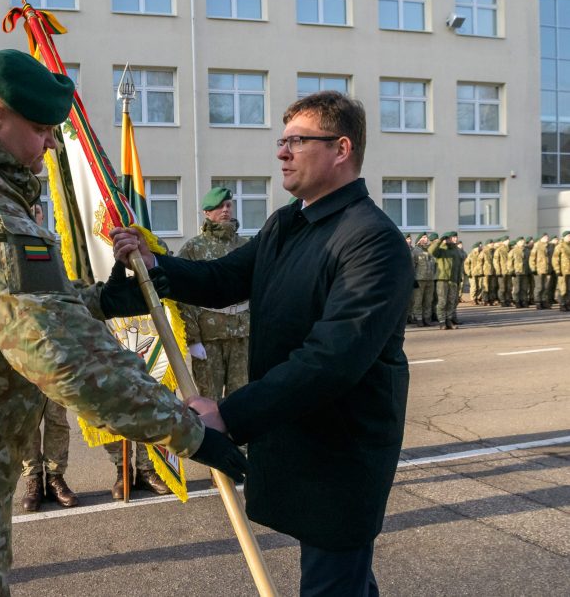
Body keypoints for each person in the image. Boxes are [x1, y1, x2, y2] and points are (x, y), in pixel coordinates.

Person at [0, 49, 244, 595]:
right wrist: (186, 430)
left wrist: (101, 300)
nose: (52, 144)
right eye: (39, 129)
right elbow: (60, 354)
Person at [112, 90, 412, 596]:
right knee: (344, 576)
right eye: (283, 139)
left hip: (340, 450)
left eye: (298, 140)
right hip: (295, 433)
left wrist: (229, 414)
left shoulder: (371, 240)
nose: (282, 152)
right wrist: (156, 262)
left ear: (341, 149)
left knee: (333, 573)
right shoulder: (287, 223)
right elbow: (223, 279)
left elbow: (332, 360)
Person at [20, 201, 80, 511]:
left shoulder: (57, 252)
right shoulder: (12, 249)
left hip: (57, 351)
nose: (33, 214)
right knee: (29, 420)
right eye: (28, 209)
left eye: (38, 211)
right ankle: (33, 479)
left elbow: (70, 295)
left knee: (57, 419)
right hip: (24, 351)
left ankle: (56, 477)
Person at [177, 186, 251, 401]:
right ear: (207, 213)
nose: (225, 210)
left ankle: (239, 436)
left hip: (242, 334)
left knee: (242, 398)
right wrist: (193, 339)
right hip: (208, 336)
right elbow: (183, 294)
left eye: (228, 205)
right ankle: (210, 435)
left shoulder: (245, 246)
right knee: (209, 399)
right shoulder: (193, 248)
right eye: (219, 206)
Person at [429, 231, 464, 330]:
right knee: (442, 301)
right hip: (442, 279)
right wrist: (440, 241)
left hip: (453, 280)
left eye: (454, 238)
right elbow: (431, 251)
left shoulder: (456, 250)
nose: (453, 240)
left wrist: (458, 279)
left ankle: (449, 320)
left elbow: (458, 265)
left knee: (451, 301)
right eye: (450, 238)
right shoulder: (441, 249)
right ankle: (442, 321)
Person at [553, 230, 570, 311]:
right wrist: (557, 270)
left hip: (569, 271)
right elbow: (555, 259)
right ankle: (562, 304)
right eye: (568, 236)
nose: (569, 238)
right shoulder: (560, 246)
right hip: (562, 271)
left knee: (569, 288)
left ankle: (568, 303)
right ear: (564, 237)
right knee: (562, 288)